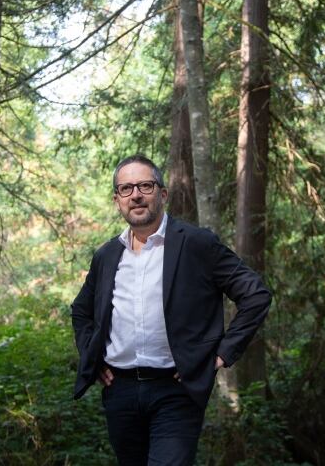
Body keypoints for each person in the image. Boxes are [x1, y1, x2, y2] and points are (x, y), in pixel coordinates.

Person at [71, 154, 271, 465]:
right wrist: (92, 357)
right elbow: (81, 311)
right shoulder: (107, 255)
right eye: (126, 189)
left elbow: (255, 294)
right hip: (119, 392)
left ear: (162, 194)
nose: (136, 195)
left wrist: (221, 353)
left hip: (176, 390)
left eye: (145, 186)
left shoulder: (196, 243)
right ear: (117, 200)